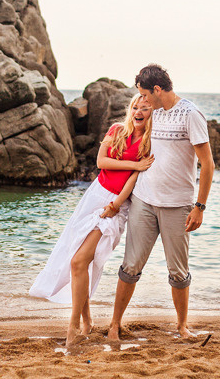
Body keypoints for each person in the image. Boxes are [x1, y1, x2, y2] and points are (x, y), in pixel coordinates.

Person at [29, 94, 154, 347]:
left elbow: (133, 179)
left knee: (79, 261)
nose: (138, 111)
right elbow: (101, 161)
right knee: (78, 258)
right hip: (94, 195)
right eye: (135, 107)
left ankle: (74, 325)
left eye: (145, 108)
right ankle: (86, 320)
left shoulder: (149, 144)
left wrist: (116, 205)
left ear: (153, 113)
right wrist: (134, 165)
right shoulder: (117, 129)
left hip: (115, 204)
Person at [108, 64, 214, 341]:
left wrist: (199, 206)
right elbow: (133, 128)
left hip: (178, 205)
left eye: (146, 94)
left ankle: (182, 327)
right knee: (130, 266)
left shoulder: (190, 114)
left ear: (157, 89)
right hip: (143, 200)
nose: (143, 101)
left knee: (178, 272)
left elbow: (207, 164)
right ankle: (114, 325)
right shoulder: (154, 113)